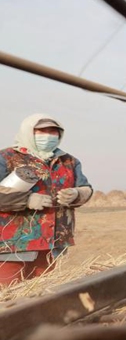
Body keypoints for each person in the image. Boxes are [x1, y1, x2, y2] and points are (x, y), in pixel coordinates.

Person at [0, 114, 93, 285]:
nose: (49, 136)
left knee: (42, 295)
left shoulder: (69, 161)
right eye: (42, 131)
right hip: (11, 244)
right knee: (8, 296)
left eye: (53, 132)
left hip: (51, 242)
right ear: (28, 132)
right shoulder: (6, 158)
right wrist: (26, 200)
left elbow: (86, 188)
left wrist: (76, 194)